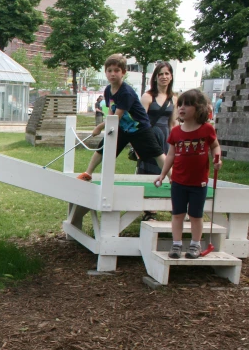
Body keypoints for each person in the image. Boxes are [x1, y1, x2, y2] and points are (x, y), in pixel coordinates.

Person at [154, 89, 222, 259]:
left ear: (198, 108)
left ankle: (195, 245)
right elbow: (170, 154)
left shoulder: (206, 129)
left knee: (195, 215)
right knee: (177, 214)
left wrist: (216, 159)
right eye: (180, 105)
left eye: (188, 104)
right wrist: (163, 174)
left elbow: (215, 146)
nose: (182, 108)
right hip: (178, 181)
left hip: (199, 183)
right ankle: (176, 244)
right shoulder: (176, 132)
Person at [77, 54, 166, 181]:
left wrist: (99, 127)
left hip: (139, 128)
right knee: (103, 148)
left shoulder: (126, 92)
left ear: (123, 72)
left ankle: (173, 177)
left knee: (157, 153)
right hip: (121, 129)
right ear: (105, 72)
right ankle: (88, 173)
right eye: (109, 71)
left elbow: (117, 116)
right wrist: (107, 126)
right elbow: (111, 112)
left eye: (117, 70)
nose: (113, 74)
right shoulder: (108, 90)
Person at [136, 62, 177, 220]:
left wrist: (176, 142)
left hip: (166, 138)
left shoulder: (174, 98)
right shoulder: (148, 96)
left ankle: (173, 204)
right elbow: (140, 121)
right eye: (160, 74)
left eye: (167, 73)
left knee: (167, 170)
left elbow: (173, 123)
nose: (164, 77)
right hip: (149, 137)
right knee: (148, 169)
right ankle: (149, 210)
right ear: (155, 77)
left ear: (171, 76)